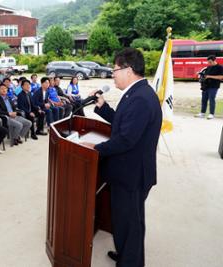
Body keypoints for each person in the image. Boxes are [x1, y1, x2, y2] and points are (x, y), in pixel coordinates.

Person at [84, 48, 162, 267]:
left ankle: (131, 262)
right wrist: (103, 108)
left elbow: (126, 139)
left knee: (131, 223)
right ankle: (126, 254)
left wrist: (95, 148)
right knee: (125, 220)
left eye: (115, 69)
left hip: (132, 175)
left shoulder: (140, 98)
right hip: (128, 172)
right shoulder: (136, 93)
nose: (113, 74)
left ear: (128, 70)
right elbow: (124, 123)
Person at [195, 55, 223, 120]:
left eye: (210, 62)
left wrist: (209, 76)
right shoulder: (208, 67)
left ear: (214, 60)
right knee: (204, 100)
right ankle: (202, 113)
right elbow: (205, 75)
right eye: (208, 62)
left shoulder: (220, 67)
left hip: (214, 86)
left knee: (211, 99)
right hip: (206, 86)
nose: (209, 63)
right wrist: (200, 74)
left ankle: (211, 114)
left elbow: (221, 77)